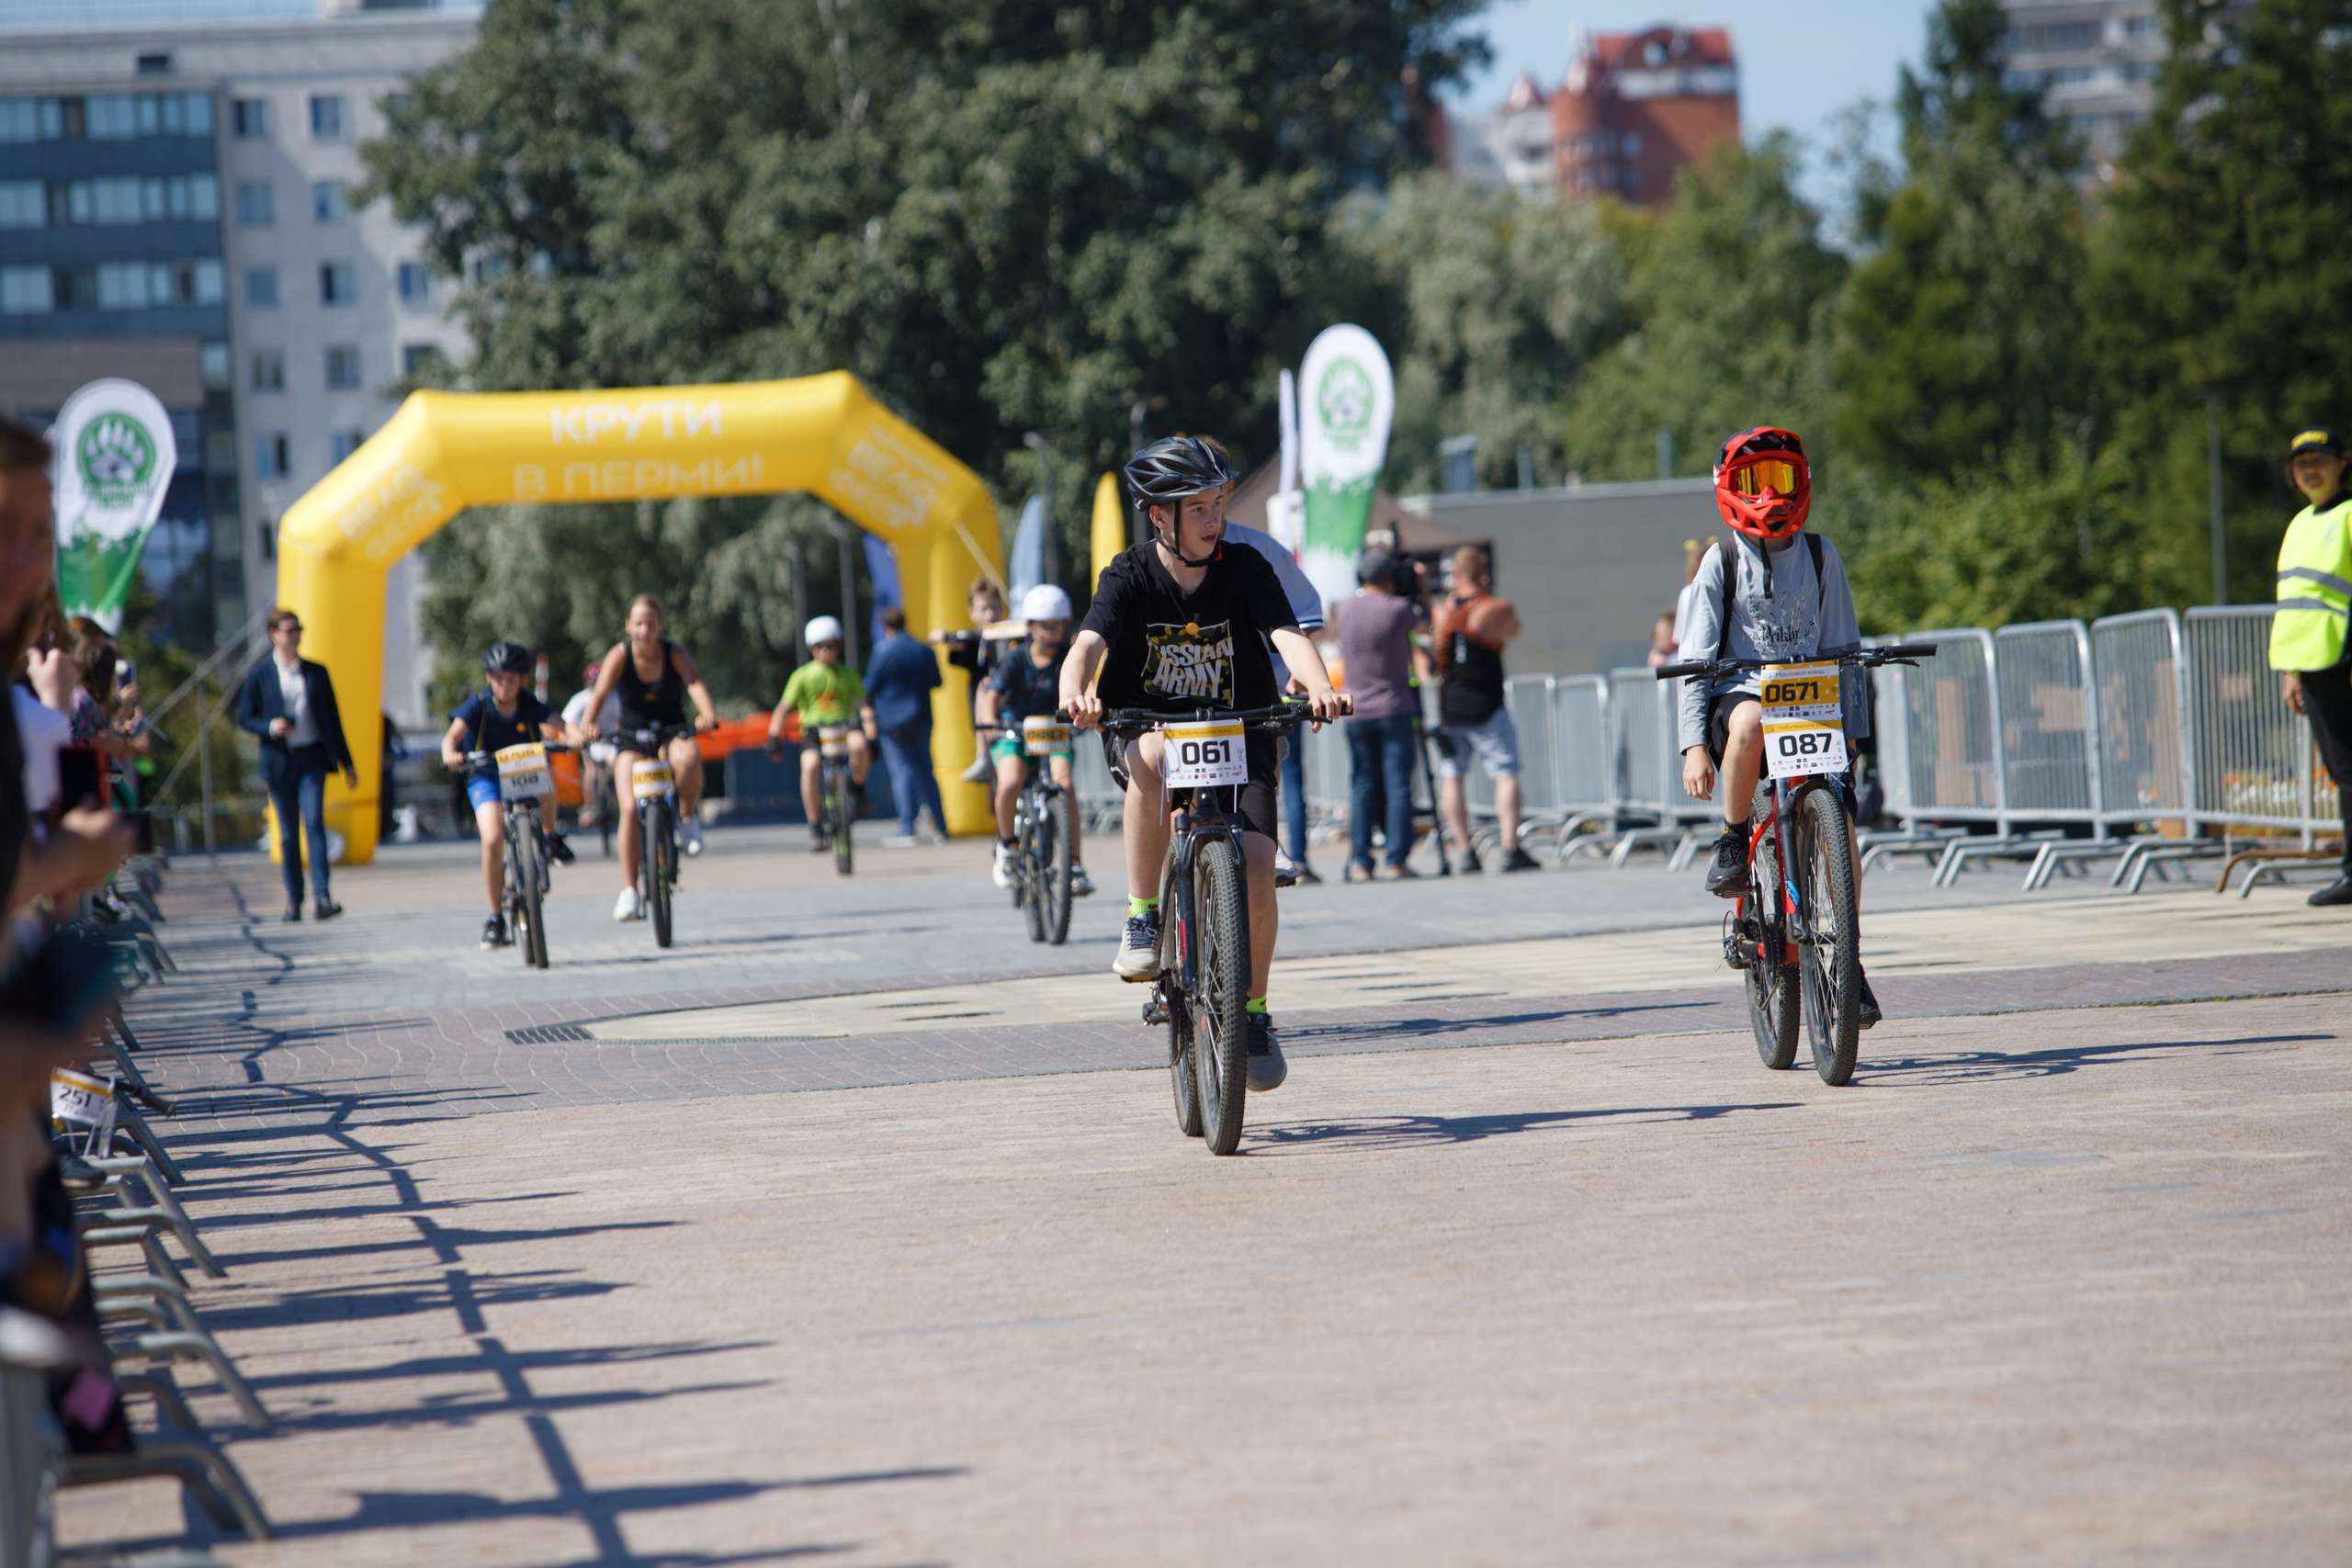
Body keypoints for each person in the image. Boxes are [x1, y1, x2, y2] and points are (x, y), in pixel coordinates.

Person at [1059, 435, 1349, 1094]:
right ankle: (1142, 915)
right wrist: (1073, 690)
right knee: (1154, 756)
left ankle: (1252, 1012)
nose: (1214, 519)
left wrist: (1319, 684)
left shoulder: (1246, 567)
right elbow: (1086, 643)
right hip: (1149, 727)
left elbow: (1287, 636)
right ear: (1159, 516)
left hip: (1239, 728)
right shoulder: (1128, 573)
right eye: (1198, 508)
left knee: (1253, 863)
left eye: (1218, 503)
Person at [1676, 425, 1880, 1027]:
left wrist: (1855, 737)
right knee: (1750, 723)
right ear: (1728, 489)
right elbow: (1695, 661)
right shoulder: (1723, 560)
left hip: (1811, 698)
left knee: (1840, 826)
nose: (1768, 495)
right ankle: (1734, 838)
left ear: (1803, 485)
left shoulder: (1821, 555)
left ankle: (1849, 954)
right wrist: (1693, 746)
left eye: (1780, 479)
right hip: (1743, 692)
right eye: (1752, 481)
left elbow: (1846, 646)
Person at [1195, 435, 1328, 885]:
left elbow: (1304, 617)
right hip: (1184, 695)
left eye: (1213, 491)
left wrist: (1305, 677)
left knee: (1266, 748)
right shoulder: (1147, 563)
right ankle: (1150, 906)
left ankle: (1267, 841)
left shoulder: (1258, 552)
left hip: (1255, 695)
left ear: (1229, 490)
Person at [579, 595, 719, 920]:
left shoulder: (675, 653)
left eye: (651, 623)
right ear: (628, 626)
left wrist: (707, 714)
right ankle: (630, 891)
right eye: (638, 623)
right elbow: (599, 693)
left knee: (689, 757)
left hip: (670, 731)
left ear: (661, 625)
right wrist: (588, 725)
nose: (645, 630)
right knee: (628, 808)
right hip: (630, 737)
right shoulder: (620, 655)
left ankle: (686, 819)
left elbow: (694, 683)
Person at [441, 641, 573, 950]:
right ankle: (495, 917)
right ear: (488, 677)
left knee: (547, 782)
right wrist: (451, 754)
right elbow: (453, 736)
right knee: (492, 839)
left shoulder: (528, 704)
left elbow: (561, 724)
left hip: (523, 774)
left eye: (511, 678)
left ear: (523, 680)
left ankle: (551, 838)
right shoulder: (478, 705)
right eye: (499, 677)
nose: (505, 684)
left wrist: (575, 734)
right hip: (486, 777)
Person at [2271, 425, 2352, 906]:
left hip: (2343, 658)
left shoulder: (2348, 514)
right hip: (2313, 662)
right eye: (2301, 463)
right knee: (2342, 772)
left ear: (2343, 462)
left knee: (2349, 771)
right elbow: (2297, 602)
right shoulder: (2301, 522)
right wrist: (2292, 670)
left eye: (2319, 459)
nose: (2310, 469)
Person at [237, 608, 358, 922]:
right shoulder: (260, 674)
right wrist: (270, 727)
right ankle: (294, 900)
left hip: (312, 758)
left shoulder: (317, 672)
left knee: (315, 823)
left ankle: (322, 897)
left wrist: (348, 763)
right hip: (279, 761)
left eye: (298, 629)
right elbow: (244, 717)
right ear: (273, 634)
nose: (294, 635)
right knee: (288, 834)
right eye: (288, 630)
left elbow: (333, 720)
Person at [1430, 546, 1542, 872]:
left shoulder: (1441, 611)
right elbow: (1513, 630)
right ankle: (1509, 848)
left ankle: (1465, 852)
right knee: (1505, 773)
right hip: (1487, 702)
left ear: (1455, 574)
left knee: (1452, 776)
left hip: (1452, 704)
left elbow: (1439, 654)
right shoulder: (1495, 607)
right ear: (1484, 574)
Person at [978, 584, 1092, 896]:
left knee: (1064, 784)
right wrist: (989, 722)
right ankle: (1007, 846)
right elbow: (992, 696)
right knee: (1011, 780)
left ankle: (1074, 864)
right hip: (1014, 730)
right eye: (1045, 625)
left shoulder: (1069, 658)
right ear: (1030, 626)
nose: (1053, 631)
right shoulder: (1016, 658)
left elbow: (1089, 685)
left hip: (1055, 733)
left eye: (1058, 624)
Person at [1333, 548, 1427, 880]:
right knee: (1399, 783)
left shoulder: (1343, 610)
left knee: (1362, 784)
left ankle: (1361, 861)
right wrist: (1421, 588)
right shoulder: (1399, 608)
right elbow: (1425, 624)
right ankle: (1396, 860)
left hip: (1357, 709)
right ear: (1390, 578)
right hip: (1393, 706)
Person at [768, 615, 878, 852]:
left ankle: (859, 790)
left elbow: (864, 706)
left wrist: (872, 735)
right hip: (814, 730)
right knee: (809, 766)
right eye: (821, 647)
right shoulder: (802, 676)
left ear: (838, 646)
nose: (827, 652)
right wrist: (773, 737)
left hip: (843, 725)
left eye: (831, 646)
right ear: (812, 649)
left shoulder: (847, 674)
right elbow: (781, 710)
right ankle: (815, 823)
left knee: (860, 746)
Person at [864, 605, 948, 846]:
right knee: (927, 773)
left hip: (892, 721)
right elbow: (937, 681)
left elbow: (868, 687)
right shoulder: (923, 650)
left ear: (885, 626)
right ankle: (941, 827)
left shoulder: (882, 651)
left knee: (902, 772)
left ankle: (906, 827)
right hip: (921, 717)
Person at [933, 576, 1009, 783]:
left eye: (994, 607)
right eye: (984, 609)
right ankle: (982, 755)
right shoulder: (976, 642)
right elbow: (960, 645)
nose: (990, 614)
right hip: (989, 718)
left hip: (1014, 709)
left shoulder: (1011, 637)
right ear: (972, 613)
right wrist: (946, 637)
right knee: (986, 684)